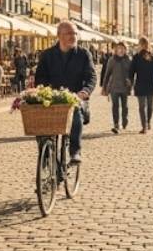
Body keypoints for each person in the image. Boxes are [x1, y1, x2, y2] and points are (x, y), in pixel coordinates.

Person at [33, 21, 96, 163]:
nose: (73, 36)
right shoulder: (47, 55)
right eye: (69, 33)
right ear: (59, 35)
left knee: (75, 114)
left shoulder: (83, 54)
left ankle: (75, 151)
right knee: (40, 122)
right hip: (53, 99)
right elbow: (40, 78)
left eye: (75, 33)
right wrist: (42, 92)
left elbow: (91, 77)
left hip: (76, 97)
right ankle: (46, 155)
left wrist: (85, 91)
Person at [130, 36, 153, 134]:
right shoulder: (137, 57)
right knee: (144, 106)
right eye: (141, 44)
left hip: (148, 84)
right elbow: (132, 71)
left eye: (143, 44)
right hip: (143, 84)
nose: (142, 46)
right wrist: (130, 81)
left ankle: (147, 123)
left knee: (148, 106)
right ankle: (145, 125)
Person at [100, 42, 132, 134]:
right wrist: (104, 87)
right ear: (116, 50)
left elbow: (132, 74)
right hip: (114, 87)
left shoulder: (128, 60)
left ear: (125, 50)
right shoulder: (112, 60)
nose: (121, 50)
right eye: (119, 48)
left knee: (125, 106)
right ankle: (116, 124)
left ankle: (125, 120)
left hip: (125, 87)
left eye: (123, 48)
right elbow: (107, 74)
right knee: (115, 106)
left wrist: (131, 82)